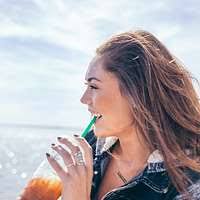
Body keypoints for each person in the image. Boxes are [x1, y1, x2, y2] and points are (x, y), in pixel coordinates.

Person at [46, 30, 200, 200]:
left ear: (137, 93)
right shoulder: (90, 146)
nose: (84, 99)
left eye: (94, 87)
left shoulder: (189, 186)